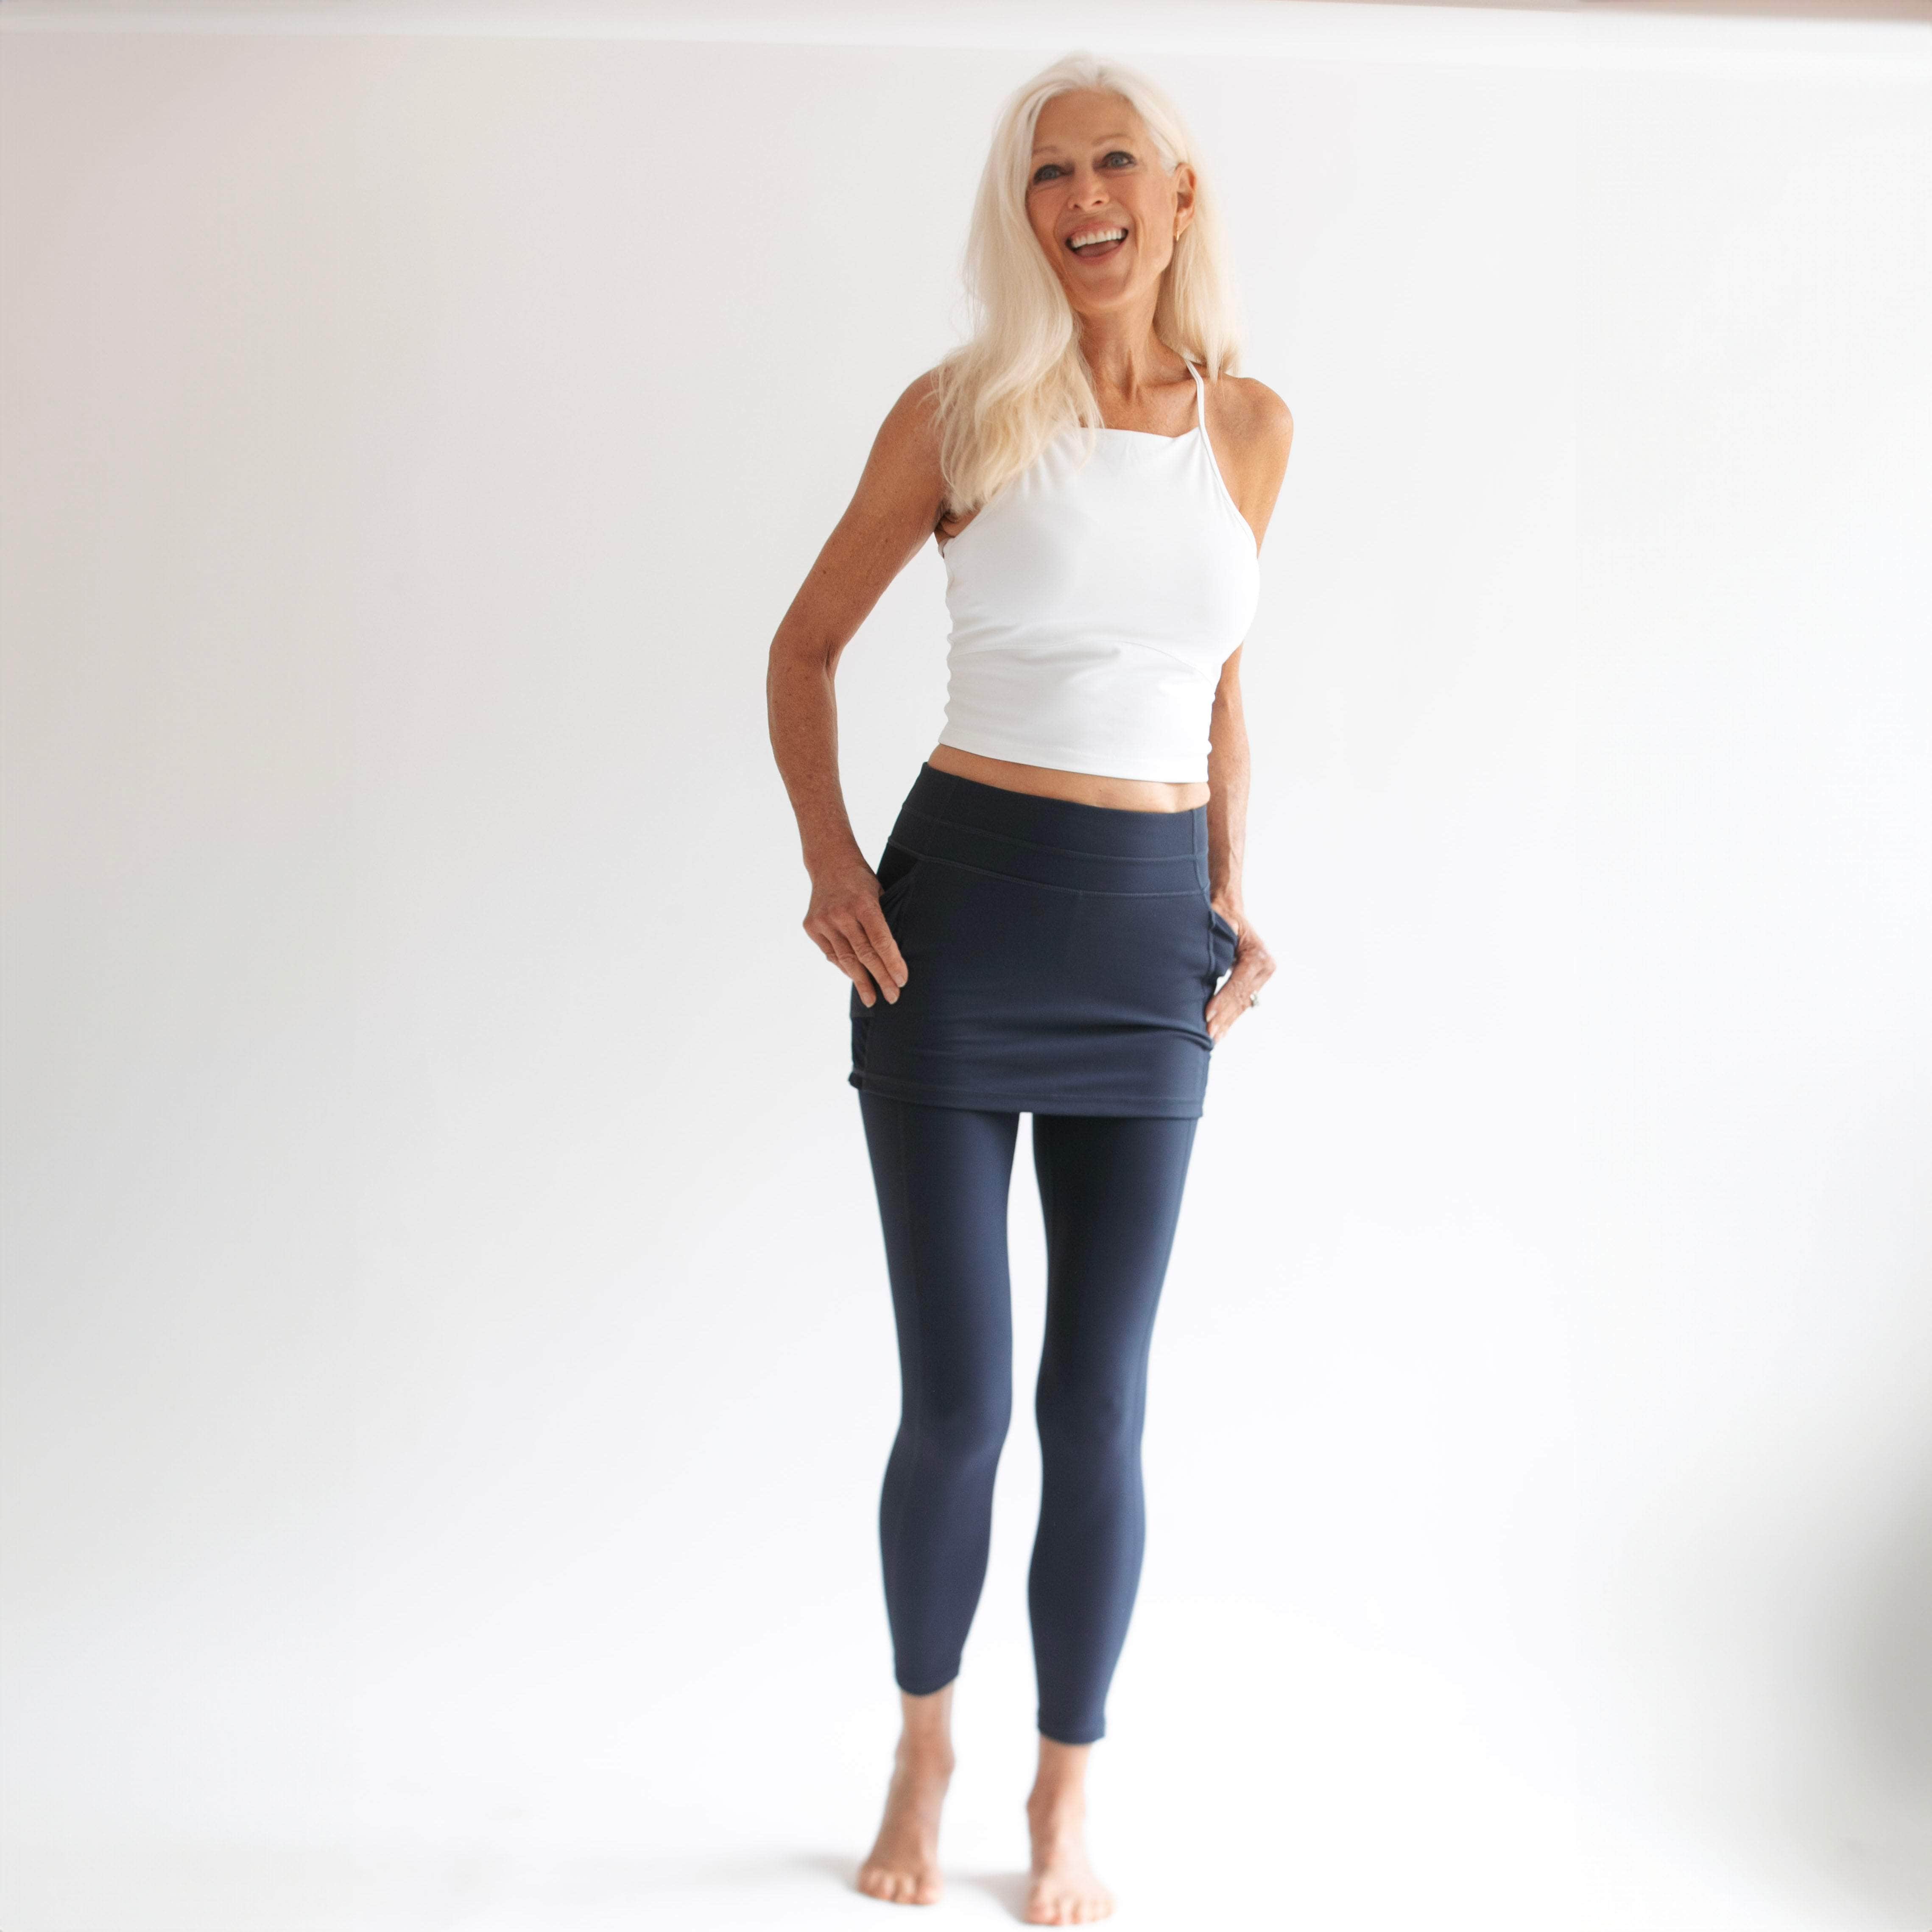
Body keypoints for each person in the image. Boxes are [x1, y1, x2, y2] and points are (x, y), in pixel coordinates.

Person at [766, 51, 1292, 1926]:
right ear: (1026, 213)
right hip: (959, 923)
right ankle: (925, 1734)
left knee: (1103, 1402)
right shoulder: (961, 411)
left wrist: (1233, 880)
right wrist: (832, 863)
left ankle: (1064, 1786)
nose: (1080, 198)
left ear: (1175, 199)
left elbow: (1213, 672)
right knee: (962, 1404)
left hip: (1145, 935)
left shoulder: (1250, 428)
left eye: (1113, 167)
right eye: (1046, 173)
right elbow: (803, 644)